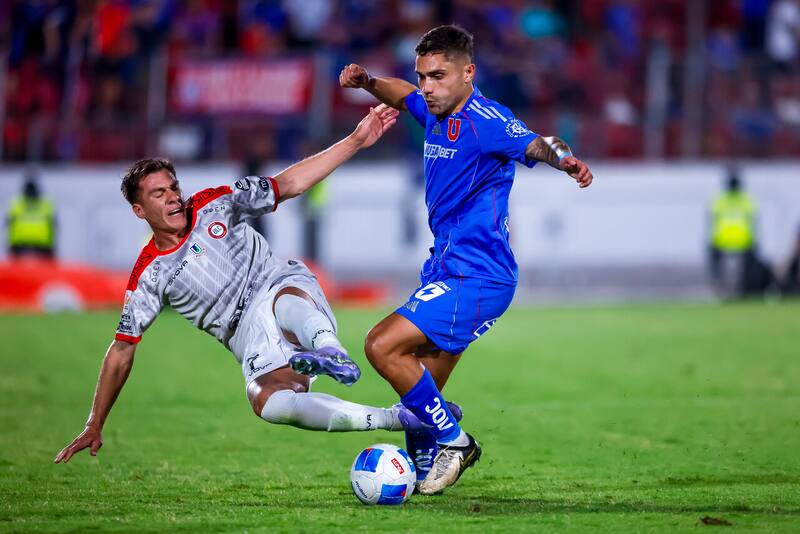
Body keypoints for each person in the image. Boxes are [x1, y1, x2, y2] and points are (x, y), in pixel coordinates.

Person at [54, 104, 458, 464]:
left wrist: (355, 140)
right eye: (159, 194)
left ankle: (331, 351)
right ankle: (397, 417)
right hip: (245, 335)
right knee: (267, 402)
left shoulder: (217, 202)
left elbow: (289, 184)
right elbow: (121, 350)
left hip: (276, 282)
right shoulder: (150, 275)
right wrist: (95, 422)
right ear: (140, 210)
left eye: (174, 186)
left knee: (284, 302)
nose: (173, 197)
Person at [338, 25, 593, 494]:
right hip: (446, 267)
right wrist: (370, 81)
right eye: (422, 77)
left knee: (380, 345)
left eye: (437, 76)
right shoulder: (432, 109)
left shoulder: (487, 119)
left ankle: (456, 441)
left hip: (478, 275)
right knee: (419, 396)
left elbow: (538, 142)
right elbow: (401, 96)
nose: (427, 87)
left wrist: (565, 160)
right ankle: (416, 475)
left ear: (468, 72)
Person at [6, 173, 57, 259]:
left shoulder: (16, 205)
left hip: (19, 248)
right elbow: (54, 225)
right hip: (42, 248)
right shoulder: (46, 205)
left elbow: (8, 224)